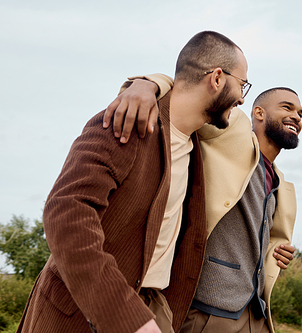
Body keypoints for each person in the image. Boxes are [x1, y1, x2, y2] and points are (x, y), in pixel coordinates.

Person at [17, 31, 251, 333]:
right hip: (88, 311)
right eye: (242, 84)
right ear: (217, 78)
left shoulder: (200, 144)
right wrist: (125, 315)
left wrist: (149, 82)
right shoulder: (129, 120)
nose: (243, 97)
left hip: (155, 306)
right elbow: (66, 213)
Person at [104, 76, 302, 332]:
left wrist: (275, 251)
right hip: (208, 312)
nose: (297, 117)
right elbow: (191, 92)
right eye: (287, 108)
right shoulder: (233, 130)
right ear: (259, 112)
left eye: (300, 113)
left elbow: (261, 236)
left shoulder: (281, 183)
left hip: (257, 315)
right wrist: (147, 84)